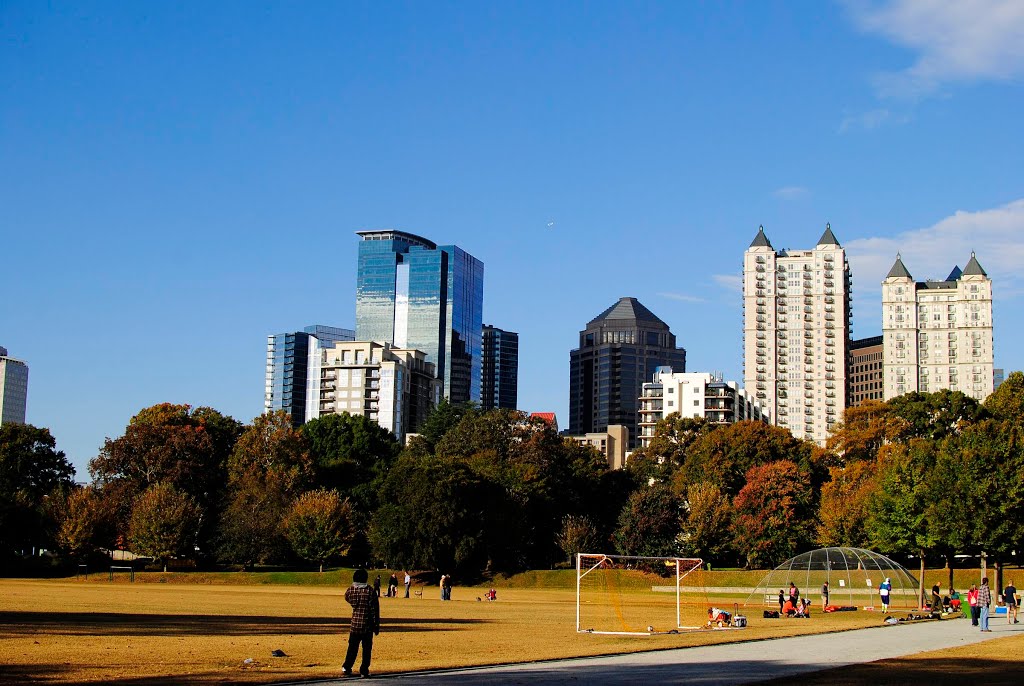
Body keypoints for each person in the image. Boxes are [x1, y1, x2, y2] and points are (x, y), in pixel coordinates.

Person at [343, 568, 380, 678]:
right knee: (366, 649)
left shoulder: (351, 590)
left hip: (355, 624)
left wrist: (355, 605)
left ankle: (347, 666)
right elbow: (375, 609)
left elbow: (347, 597)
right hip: (367, 625)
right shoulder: (370, 590)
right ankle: (364, 670)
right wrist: (376, 625)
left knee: (352, 648)